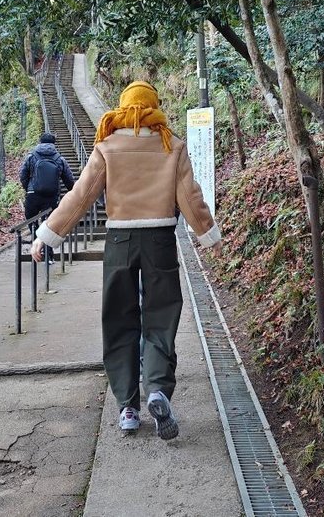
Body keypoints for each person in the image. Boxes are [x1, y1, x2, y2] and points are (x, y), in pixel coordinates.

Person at [31, 81, 221, 440]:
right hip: (160, 240)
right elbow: (189, 196)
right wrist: (207, 234)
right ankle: (157, 389)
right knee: (161, 316)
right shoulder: (172, 145)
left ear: (122, 107)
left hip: (119, 241)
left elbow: (80, 196)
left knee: (119, 319)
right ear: (154, 106)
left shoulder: (107, 146)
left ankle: (128, 407)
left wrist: (47, 235)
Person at [19, 132, 76, 222]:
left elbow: (23, 175)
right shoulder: (59, 159)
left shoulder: (31, 157)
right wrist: (72, 192)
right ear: (53, 143)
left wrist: (28, 188)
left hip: (33, 193)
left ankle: (34, 229)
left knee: (31, 219)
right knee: (51, 221)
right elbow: (68, 179)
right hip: (51, 195)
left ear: (40, 142)